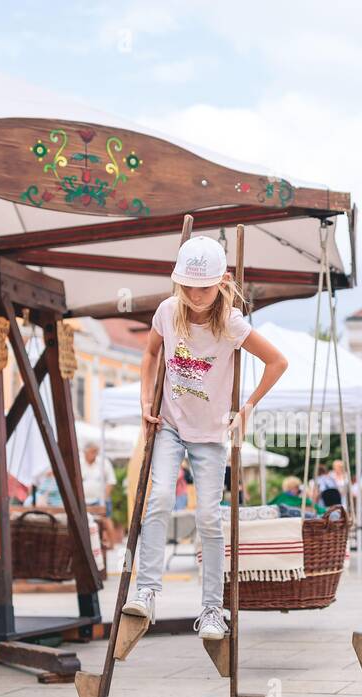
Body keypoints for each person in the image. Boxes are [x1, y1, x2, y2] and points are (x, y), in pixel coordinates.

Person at [121, 236, 289, 641]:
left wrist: (246, 408)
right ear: (178, 283)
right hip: (170, 426)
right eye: (188, 287)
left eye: (205, 287)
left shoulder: (230, 321)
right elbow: (149, 355)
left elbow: (277, 361)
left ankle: (212, 609)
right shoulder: (167, 311)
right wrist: (146, 400)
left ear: (222, 281)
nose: (196, 296)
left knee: (210, 518)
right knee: (158, 499)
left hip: (211, 433)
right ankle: (147, 590)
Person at [80, 441, 117, 550]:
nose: (95, 454)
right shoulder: (80, 462)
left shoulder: (103, 463)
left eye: (96, 452)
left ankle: (112, 545)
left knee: (106, 519)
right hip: (84, 500)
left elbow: (111, 481)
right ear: (85, 452)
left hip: (100, 499)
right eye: (92, 452)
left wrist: (104, 498)